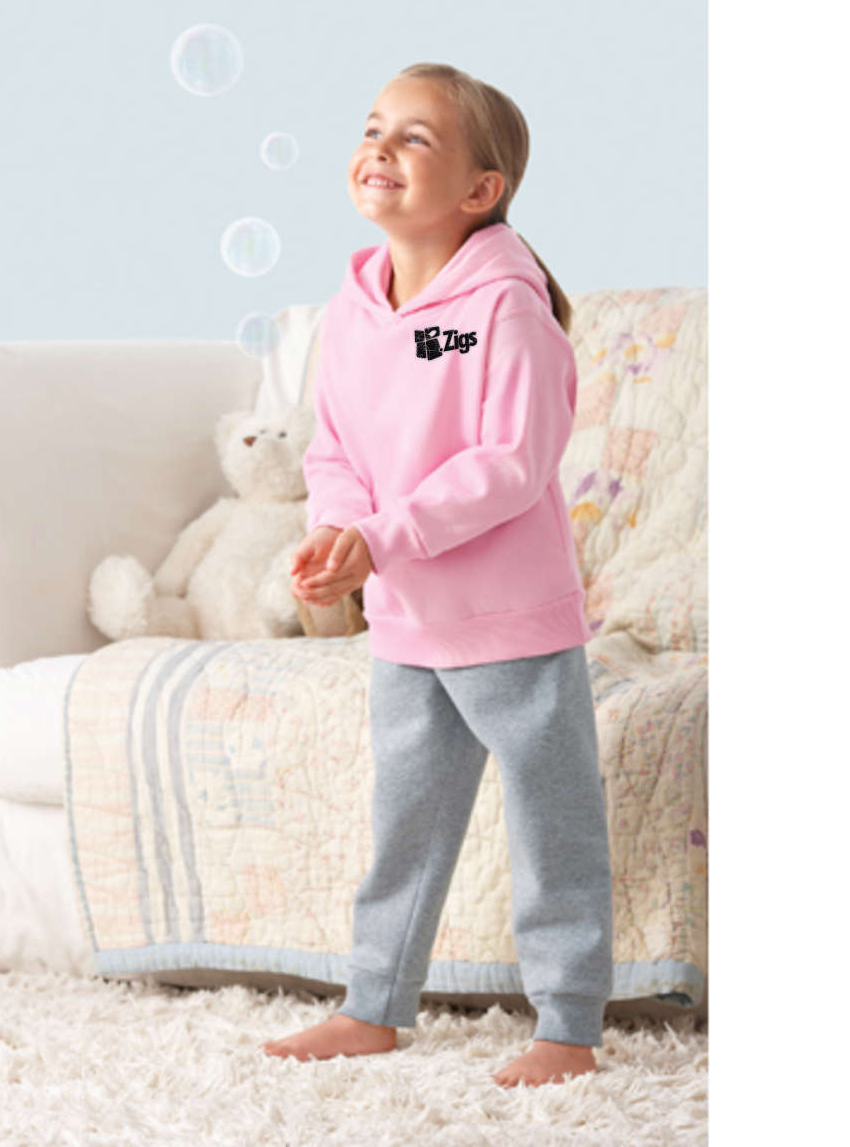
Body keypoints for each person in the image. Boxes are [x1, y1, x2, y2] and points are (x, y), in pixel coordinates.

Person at [260, 63, 613, 1088]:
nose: (380, 147)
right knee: (405, 823)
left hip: (510, 619)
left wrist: (384, 536)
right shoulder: (353, 309)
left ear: (480, 190)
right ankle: (373, 1006)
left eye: (415, 137)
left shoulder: (502, 309)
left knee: (552, 820)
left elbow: (510, 463)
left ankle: (569, 1026)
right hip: (407, 620)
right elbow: (335, 449)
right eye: (373, 127)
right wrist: (339, 533)